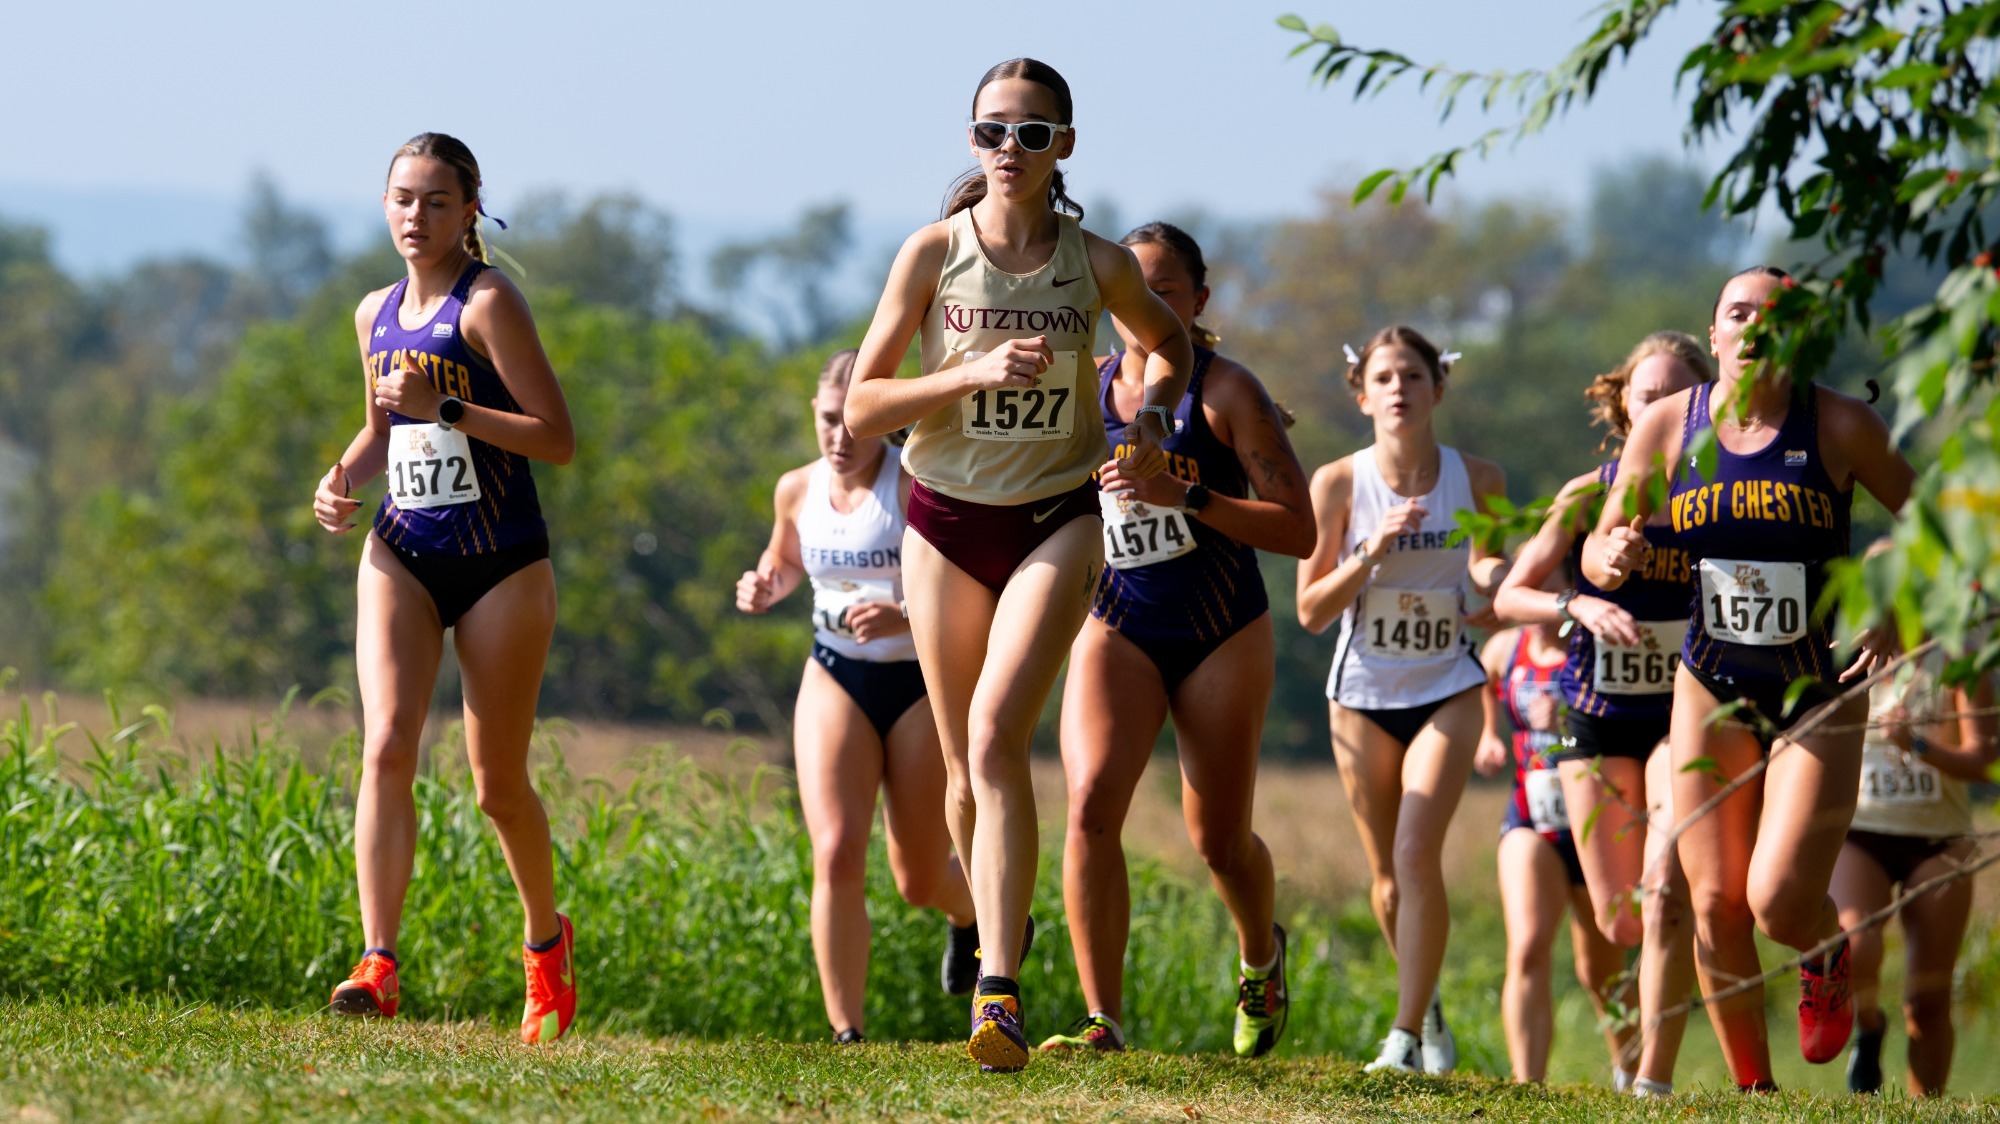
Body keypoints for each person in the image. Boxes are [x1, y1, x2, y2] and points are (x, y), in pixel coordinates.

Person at [842, 58, 1193, 1072]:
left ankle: (997, 989)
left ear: (1063, 150)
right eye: (994, 131)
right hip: (944, 521)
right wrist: (967, 372)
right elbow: (864, 405)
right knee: (964, 771)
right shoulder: (930, 256)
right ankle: (992, 921)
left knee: (997, 733)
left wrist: (1151, 415)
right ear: (970, 142)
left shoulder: (1096, 264)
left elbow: (1163, 344)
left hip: (1057, 514)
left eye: (1032, 134)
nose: (1010, 149)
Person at [1585, 265, 1915, 1088]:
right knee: (1712, 904)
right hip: (1710, 681)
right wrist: (1612, 553)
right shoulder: (1666, 426)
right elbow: (1599, 543)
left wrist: (1893, 604)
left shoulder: (1840, 424)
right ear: (1716, 330)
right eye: (1739, 313)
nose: (1756, 328)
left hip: (1816, 689)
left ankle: (1823, 948)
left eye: (1776, 317)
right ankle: (1753, 1093)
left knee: (1775, 903)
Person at [310, 133, 579, 1044]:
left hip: (502, 559)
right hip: (402, 549)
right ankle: (377, 962)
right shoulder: (372, 313)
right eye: (400, 199)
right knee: (385, 742)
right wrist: (341, 476)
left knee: (497, 784)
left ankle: (546, 951)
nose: (413, 217)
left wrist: (452, 407)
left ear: (471, 210)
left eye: (433, 201)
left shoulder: (490, 302)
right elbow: (384, 430)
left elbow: (556, 436)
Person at [1038, 223, 1315, 1057]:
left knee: (1218, 840)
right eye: (1134, 288)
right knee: (1088, 808)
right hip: (1118, 619)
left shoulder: (1227, 392)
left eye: (1167, 290)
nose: (1147, 305)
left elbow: (1299, 530)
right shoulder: (1084, 389)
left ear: (1199, 301)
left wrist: (1187, 497)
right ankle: (1103, 1022)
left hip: (1220, 628)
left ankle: (1261, 956)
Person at [735, 350, 980, 1043]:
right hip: (834, 671)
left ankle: (973, 915)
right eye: (826, 422)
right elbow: (784, 561)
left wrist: (905, 614)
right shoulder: (796, 489)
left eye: (852, 423)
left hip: (916, 684)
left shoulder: (914, 487)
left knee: (918, 876)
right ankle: (847, 1031)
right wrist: (762, 586)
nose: (839, 439)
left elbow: (965, 588)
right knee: (837, 849)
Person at [1492, 331, 1711, 1095]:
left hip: (1684, 717)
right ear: (1624, 406)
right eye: (1648, 395)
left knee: (1667, 890)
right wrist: (1575, 602)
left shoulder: (1722, 497)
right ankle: (1636, 1064)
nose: (1663, 409)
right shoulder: (1590, 494)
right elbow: (1507, 595)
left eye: (1679, 397)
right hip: (1592, 720)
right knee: (1621, 922)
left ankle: (1652, 1081)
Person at [1296, 326, 1510, 1074]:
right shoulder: (1338, 484)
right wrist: (1372, 549)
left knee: (1418, 852)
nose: (1398, 389)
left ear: (1437, 389)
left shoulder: (1478, 478)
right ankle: (1430, 1005)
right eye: (1383, 377)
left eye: (1412, 376)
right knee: (1387, 878)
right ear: (1362, 395)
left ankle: (1405, 1034)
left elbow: (1488, 572)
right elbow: (1311, 610)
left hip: (1447, 684)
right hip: (1361, 695)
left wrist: (1495, 579)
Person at [1475, 578, 1636, 1085]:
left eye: (1556, 588)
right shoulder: (1504, 649)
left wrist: (1564, 719)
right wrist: (1487, 738)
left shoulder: (1595, 650)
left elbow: (1619, 726)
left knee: (1601, 970)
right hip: (1530, 815)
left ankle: (1632, 1075)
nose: (1545, 603)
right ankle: (1528, 1085)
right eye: (1534, 588)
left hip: (1593, 822)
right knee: (1526, 946)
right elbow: (1487, 689)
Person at [1833, 648, 1996, 1095]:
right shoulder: (1841, 651)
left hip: (1939, 839)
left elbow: (1983, 760)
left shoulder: (1963, 662)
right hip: (1862, 832)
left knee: (1927, 1000)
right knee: (1854, 948)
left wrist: (1917, 744)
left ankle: (1927, 1107)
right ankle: (1868, 1028)